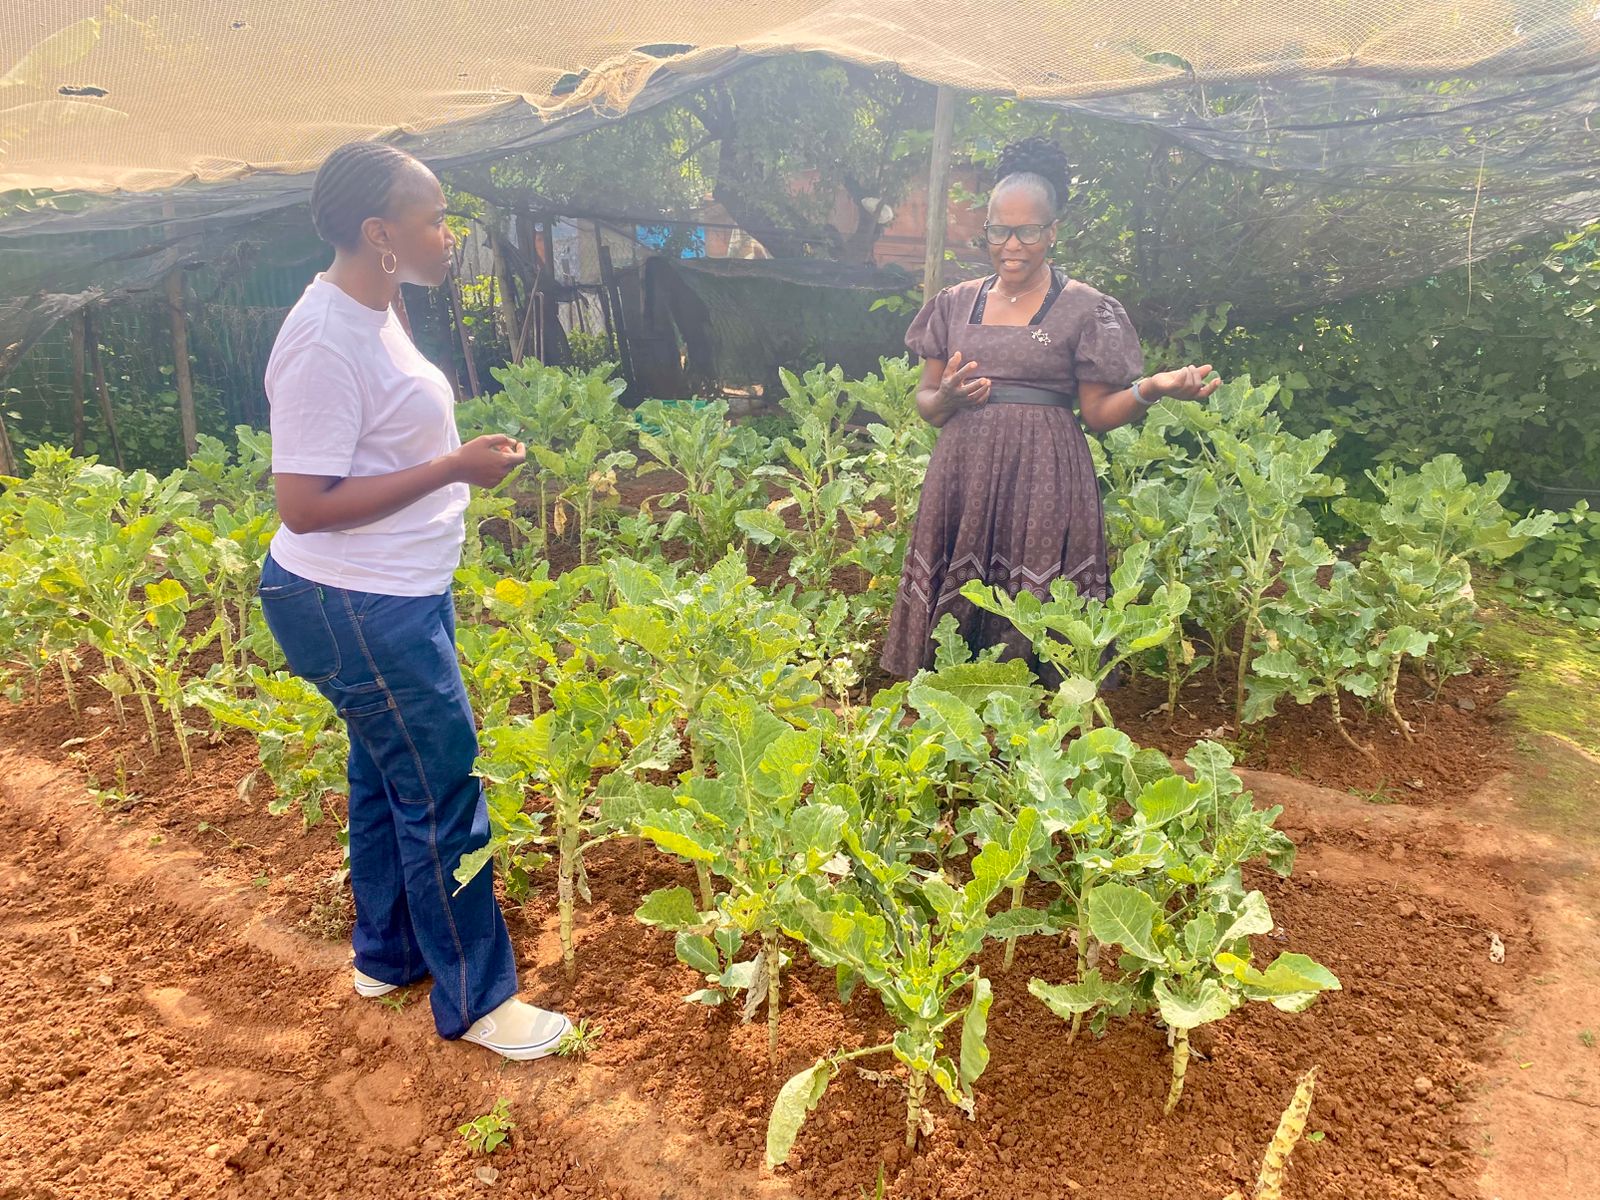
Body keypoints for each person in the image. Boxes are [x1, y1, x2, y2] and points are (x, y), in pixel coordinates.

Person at [258, 142, 571, 1059]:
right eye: (433, 218)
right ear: (378, 233)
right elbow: (303, 506)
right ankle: (479, 1002)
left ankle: (389, 956)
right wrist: (452, 468)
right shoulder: (323, 336)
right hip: (357, 604)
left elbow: (378, 451)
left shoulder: (375, 309)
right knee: (441, 791)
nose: (450, 233)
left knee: (386, 778)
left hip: (387, 595)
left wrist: (451, 466)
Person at [881, 136, 1220, 682]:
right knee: (962, 580)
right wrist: (944, 397)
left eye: (1028, 230)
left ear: (1052, 231)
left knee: (1035, 586)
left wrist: (1152, 388)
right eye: (998, 230)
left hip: (1045, 473)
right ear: (986, 228)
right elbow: (927, 402)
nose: (1011, 244)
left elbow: (1097, 414)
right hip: (964, 470)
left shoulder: (1086, 308)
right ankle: (949, 687)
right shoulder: (954, 302)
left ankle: (1035, 702)